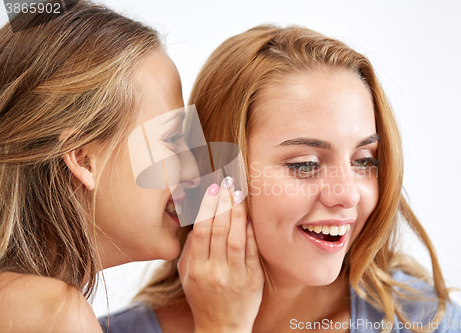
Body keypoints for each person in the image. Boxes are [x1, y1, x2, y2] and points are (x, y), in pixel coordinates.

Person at [104, 25, 461, 332]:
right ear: (212, 173)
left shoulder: (421, 320)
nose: (347, 196)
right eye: (307, 164)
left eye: (364, 160)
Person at [0, 2, 263, 332]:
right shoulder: (53, 315)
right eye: (173, 139)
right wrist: (223, 324)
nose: (197, 168)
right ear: (83, 159)